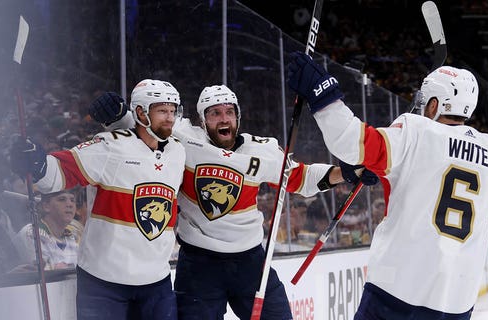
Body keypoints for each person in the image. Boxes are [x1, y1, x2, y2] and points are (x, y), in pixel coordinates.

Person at [287, 52, 488, 320]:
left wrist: (322, 93)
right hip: (455, 304)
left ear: (434, 105)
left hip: (395, 292)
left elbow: (350, 141)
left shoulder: (415, 130)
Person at [88, 84, 379, 319]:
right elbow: (147, 128)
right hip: (199, 265)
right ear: (202, 120)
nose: (224, 118)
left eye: (229, 112)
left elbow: (301, 179)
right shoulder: (183, 139)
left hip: (250, 263)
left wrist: (348, 173)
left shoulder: (263, 149)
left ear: (238, 117)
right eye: (215, 113)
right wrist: (117, 114)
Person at [10, 79, 185, 320]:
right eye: (162, 110)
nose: (169, 118)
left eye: (173, 111)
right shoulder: (110, 147)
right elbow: (58, 174)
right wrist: (37, 163)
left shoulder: (178, 150)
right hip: (104, 283)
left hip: (156, 282)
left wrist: (121, 117)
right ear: (141, 112)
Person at [13, 189, 79, 271]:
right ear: (46, 206)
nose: (70, 204)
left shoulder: (72, 237)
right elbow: (44, 273)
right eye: (62, 199)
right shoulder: (32, 233)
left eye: (72, 200)